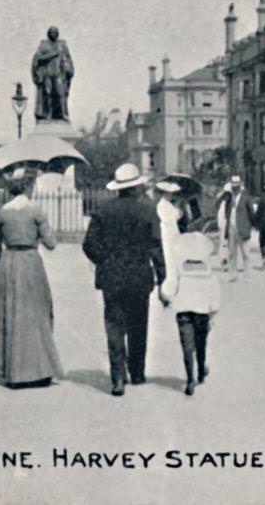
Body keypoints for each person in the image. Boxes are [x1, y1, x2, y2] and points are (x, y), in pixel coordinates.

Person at [82, 163, 166, 396]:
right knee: (139, 325)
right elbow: (156, 247)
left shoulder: (103, 210)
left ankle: (118, 377)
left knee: (115, 326)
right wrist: (163, 277)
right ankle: (137, 373)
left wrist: (104, 261)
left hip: (112, 277)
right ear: (136, 187)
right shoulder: (148, 210)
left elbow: (88, 244)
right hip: (139, 276)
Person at [0, 169, 63, 388]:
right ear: (29, 187)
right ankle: (40, 370)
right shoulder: (35, 210)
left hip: (8, 263)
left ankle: (13, 372)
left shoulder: (2, 212)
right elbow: (51, 243)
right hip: (30, 262)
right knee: (37, 313)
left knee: (11, 314)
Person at [158, 213, 222, 395]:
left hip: (183, 311)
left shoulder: (180, 269)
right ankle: (201, 370)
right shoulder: (208, 270)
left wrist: (165, 298)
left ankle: (189, 379)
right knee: (201, 344)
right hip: (202, 312)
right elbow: (215, 293)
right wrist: (213, 310)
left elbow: (169, 288)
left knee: (186, 346)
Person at [220, 176, 254, 281]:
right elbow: (226, 213)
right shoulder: (229, 199)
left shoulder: (246, 198)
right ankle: (233, 275)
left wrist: (249, 227)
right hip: (231, 228)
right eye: (233, 186)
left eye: (237, 186)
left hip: (242, 228)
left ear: (240, 186)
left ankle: (247, 275)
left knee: (246, 254)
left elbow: (251, 214)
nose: (235, 188)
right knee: (231, 254)